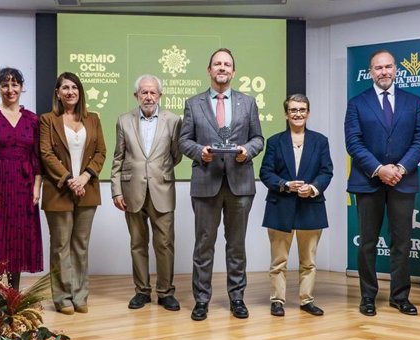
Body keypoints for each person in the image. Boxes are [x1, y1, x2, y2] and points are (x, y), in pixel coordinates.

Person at [179, 48, 264, 321]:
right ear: (209, 70)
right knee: (204, 245)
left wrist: (246, 151)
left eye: (227, 64)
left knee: (236, 245)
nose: (222, 68)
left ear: (233, 72)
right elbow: (184, 141)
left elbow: (258, 139)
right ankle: (201, 300)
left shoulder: (248, 103)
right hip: (206, 182)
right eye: (217, 64)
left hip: (240, 183)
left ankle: (237, 298)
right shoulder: (193, 104)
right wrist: (199, 152)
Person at [344, 49, 420, 317]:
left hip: (403, 181)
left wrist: (400, 168)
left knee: (402, 242)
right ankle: (368, 296)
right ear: (370, 72)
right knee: (367, 243)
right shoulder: (356, 103)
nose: (384, 72)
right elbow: (353, 143)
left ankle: (400, 296)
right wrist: (379, 169)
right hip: (368, 182)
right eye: (378, 68)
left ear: (396, 70)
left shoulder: (413, 102)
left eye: (388, 67)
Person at [110, 74, 182, 311]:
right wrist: (116, 191)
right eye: (144, 92)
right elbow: (118, 158)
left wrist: (158, 171)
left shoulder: (173, 120)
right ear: (136, 95)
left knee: (165, 244)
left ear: (160, 95)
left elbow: (176, 155)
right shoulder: (123, 121)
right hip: (132, 191)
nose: (148, 96)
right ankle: (141, 291)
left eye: (153, 92)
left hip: (162, 189)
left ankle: (165, 292)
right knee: (138, 243)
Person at [260, 94, 333, 317]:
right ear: (286, 114)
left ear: (308, 113)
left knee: (309, 261)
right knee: (278, 261)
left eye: (302, 110)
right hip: (280, 206)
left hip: (310, 206)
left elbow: (326, 171)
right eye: (293, 110)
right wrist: (284, 184)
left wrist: (312, 188)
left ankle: (306, 300)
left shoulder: (321, 141)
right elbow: (265, 172)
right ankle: (277, 300)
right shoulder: (274, 141)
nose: (298, 113)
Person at [39, 72, 106, 315]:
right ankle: (62, 297)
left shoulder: (93, 119)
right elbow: (46, 154)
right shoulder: (47, 120)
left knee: (80, 245)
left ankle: (80, 295)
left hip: (86, 188)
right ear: (58, 93)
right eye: (65, 88)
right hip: (59, 190)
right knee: (60, 246)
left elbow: (100, 152)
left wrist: (85, 177)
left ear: (80, 92)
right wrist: (69, 179)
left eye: (74, 87)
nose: (70, 92)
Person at [0, 68, 43, 290]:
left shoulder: (32, 119)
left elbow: (37, 156)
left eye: (15, 84)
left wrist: (37, 187)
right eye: (5, 85)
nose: (10, 89)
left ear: (22, 87)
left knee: (19, 239)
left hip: (23, 186)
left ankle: (13, 295)